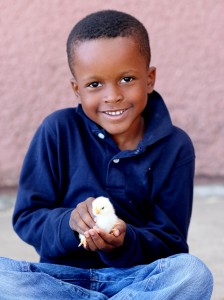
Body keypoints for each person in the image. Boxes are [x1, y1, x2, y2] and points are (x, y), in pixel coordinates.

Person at [0, 10, 213, 299]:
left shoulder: (175, 146)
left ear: (149, 79)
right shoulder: (57, 130)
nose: (112, 95)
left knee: (192, 273)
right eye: (94, 84)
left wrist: (125, 241)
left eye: (126, 79)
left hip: (136, 280)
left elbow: (171, 243)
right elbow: (27, 217)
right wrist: (70, 223)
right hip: (62, 280)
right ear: (76, 89)